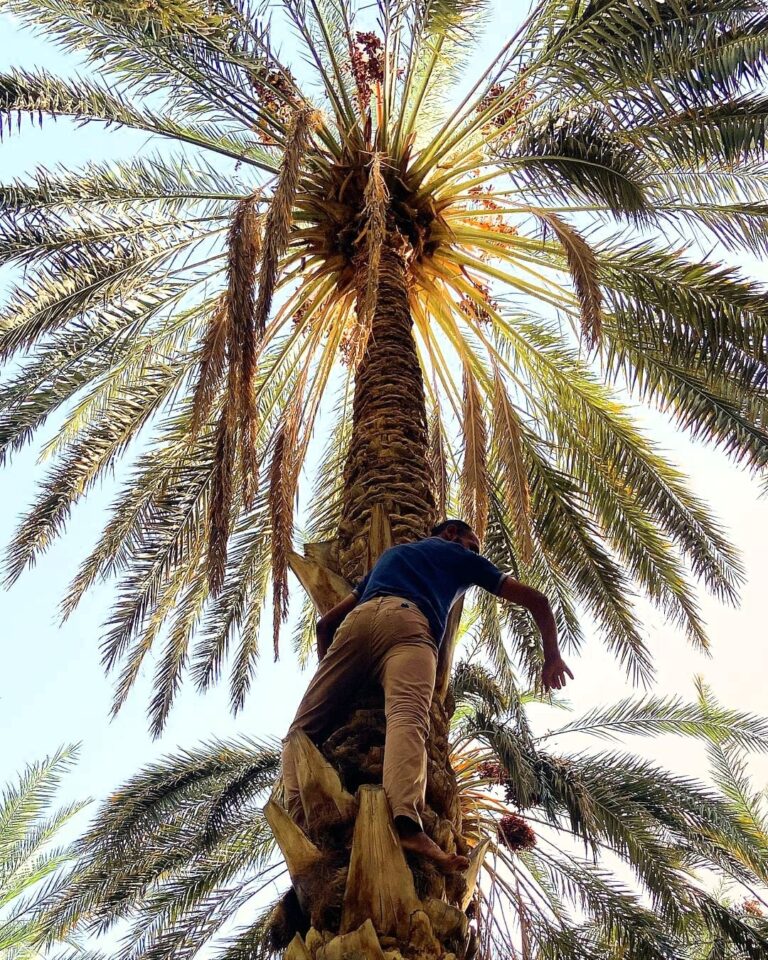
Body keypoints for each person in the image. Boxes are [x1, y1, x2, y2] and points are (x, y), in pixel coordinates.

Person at [281, 519, 573, 874]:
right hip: (409, 626)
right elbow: (537, 600)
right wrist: (552, 656)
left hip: (355, 624)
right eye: (472, 543)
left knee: (301, 732)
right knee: (407, 718)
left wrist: (335, 677)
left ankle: (299, 817)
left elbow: (324, 625)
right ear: (451, 534)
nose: (473, 551)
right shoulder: (458, 555)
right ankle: (406, 824)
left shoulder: (391, 557)